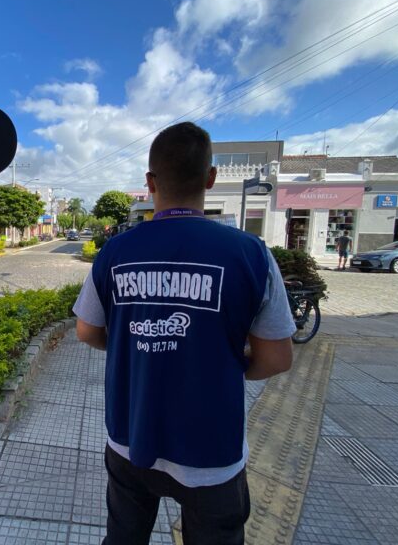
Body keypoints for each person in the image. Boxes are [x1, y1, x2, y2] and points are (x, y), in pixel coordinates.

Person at [73, 122, 295, 545]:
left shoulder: (115, 252)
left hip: (129, 438)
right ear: (210, 178)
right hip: (212, 454)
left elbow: (87, 331)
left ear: (150, 183)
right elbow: (277, 359)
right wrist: (221, 361)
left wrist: (131, 346)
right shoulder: (251, 254)